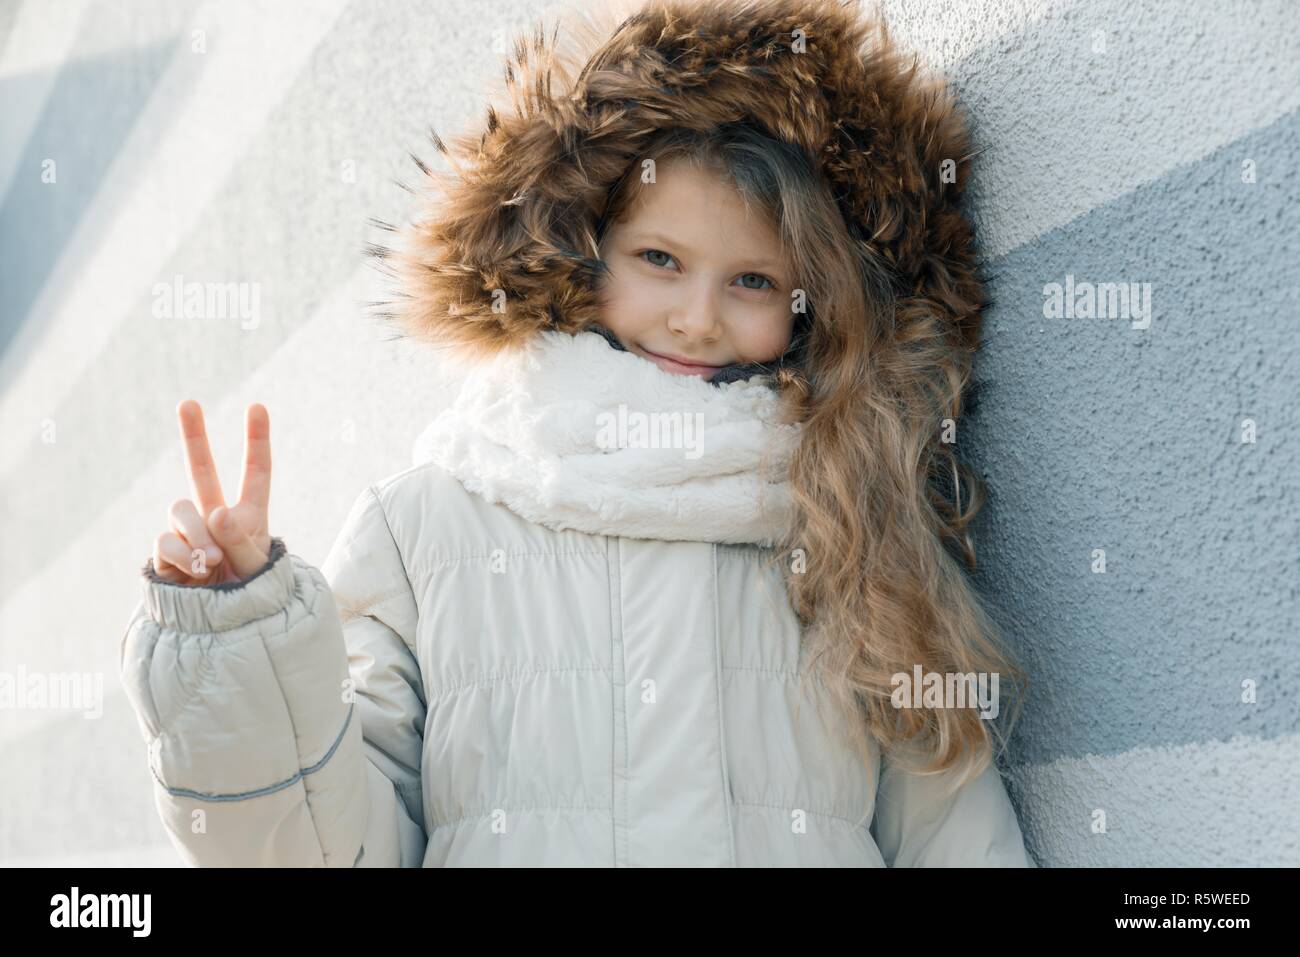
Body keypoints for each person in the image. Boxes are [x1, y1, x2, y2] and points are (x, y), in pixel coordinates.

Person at [120, 0, 1036, 867]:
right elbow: (334, 844)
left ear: (813, 301)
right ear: (578, 253)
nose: (696, 317)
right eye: (659, 260)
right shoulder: (428, 525)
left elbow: (954, 835)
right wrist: (240, 646)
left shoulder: (853, 525)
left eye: (753, 280)